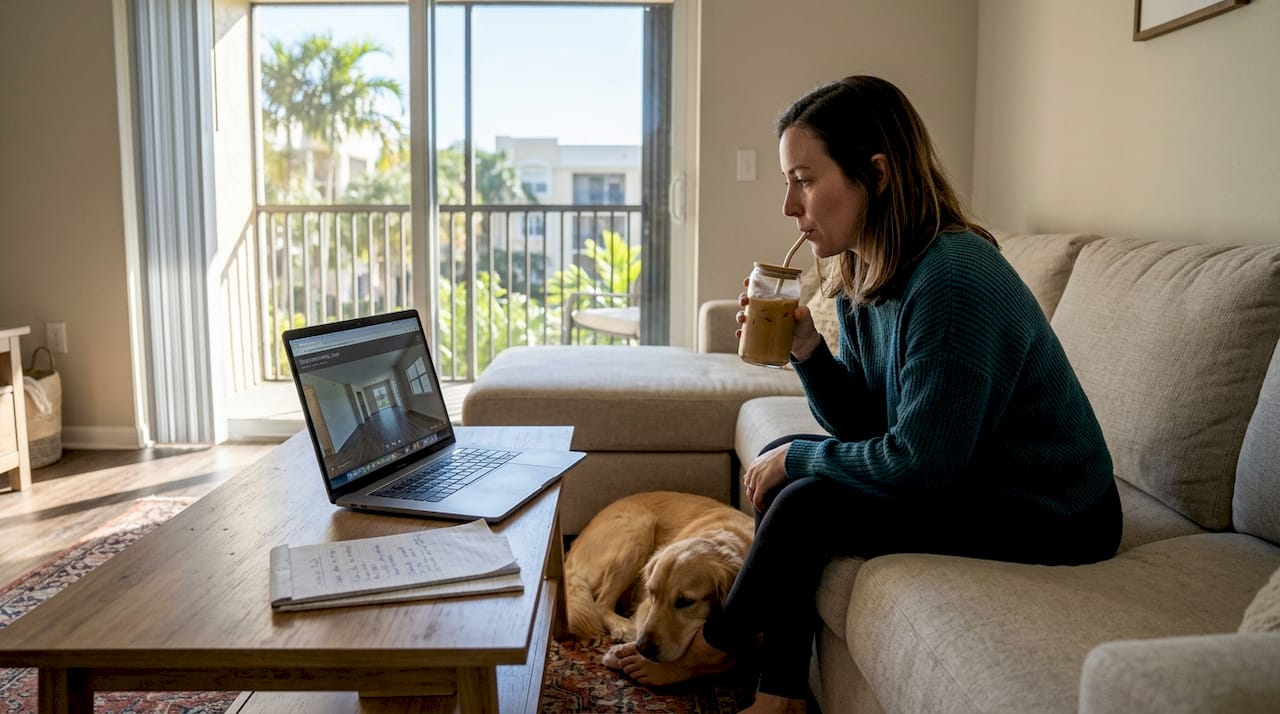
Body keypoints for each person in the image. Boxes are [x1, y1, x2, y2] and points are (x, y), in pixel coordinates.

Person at [607, 75, 1122, 714]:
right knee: (790, 472)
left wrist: (798, 461)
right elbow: (865, 425)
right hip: (970, 472)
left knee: (804, 497)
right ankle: (781, 690)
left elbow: (922, 465)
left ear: (875, 175)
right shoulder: (862, 269)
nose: (789, 207)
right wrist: (807, 351)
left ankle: (720, 645)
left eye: (803, 179)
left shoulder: (953, 278)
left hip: (1053, 507)